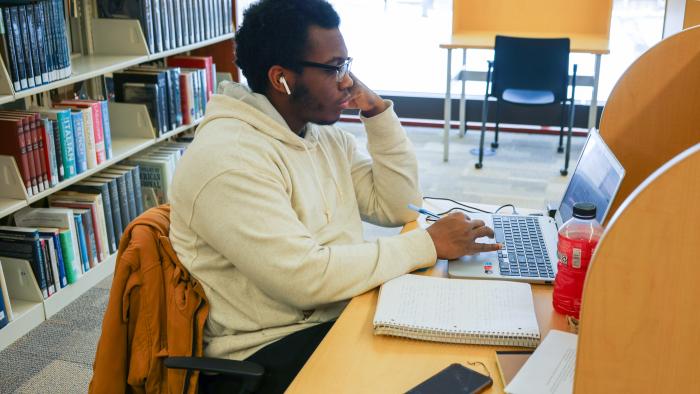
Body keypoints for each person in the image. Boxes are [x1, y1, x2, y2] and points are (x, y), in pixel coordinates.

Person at [169, 0, 500, 392]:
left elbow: (395, 206)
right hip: (271, 349)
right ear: (281, 79)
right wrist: (427, 244)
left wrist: (377, 114)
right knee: (434, 371)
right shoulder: (228, 161)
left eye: (347, 65)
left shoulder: (317, 133)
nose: (347, 81)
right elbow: (305, 278)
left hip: (341, 310)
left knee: (466, 350)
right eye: (334, 68)